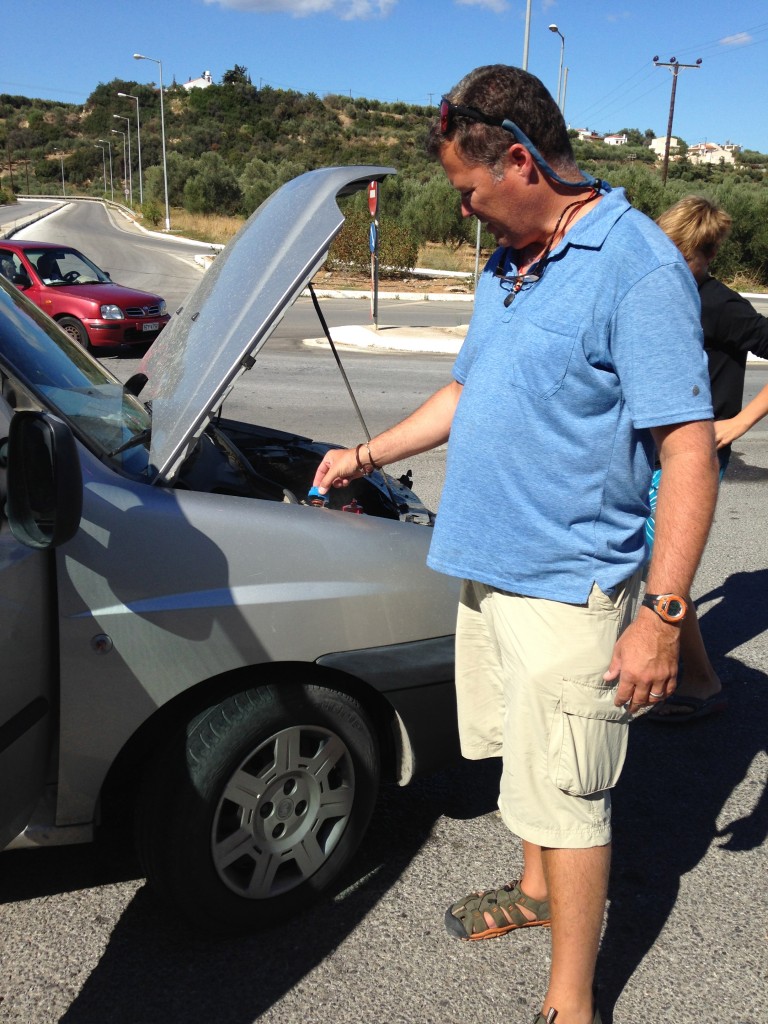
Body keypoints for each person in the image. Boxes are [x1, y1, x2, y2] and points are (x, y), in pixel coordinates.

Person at [313, 65, 718, 1024]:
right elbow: (468, 393)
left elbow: (689, 451)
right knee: (524, 769)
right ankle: (534, 895)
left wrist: (661, 618)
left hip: (568, 587)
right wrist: (363, 453)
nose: (466, 214)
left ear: (522, 162)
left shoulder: (636, 266)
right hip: (489, 572)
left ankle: (572, 1003)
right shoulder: (511, 264)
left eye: (469, 192)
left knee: (573, 799)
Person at [646, 194, 768, 722]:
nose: (672, 259)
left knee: (663, 568)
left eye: (685, 252)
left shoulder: (719, 303)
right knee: (641, 561)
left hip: (692, 457)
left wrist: (740, 422)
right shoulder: (661, 292)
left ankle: (699, 682)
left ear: (708, 252)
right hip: (649, 450)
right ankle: (656, 655)